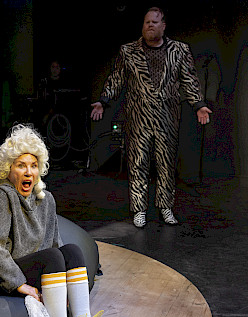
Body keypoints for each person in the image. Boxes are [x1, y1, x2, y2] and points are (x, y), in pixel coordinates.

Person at [0, 124, 106, 317]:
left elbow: (55, 243)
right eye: (21, 165)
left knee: (72, 251)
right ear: (9, 169)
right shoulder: (3, 197)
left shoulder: (46, 200)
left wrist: (63, 285)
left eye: (33, 166)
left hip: (41, 268)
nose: (28, 172)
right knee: (53, 257)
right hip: (5, 274)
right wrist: (19, 283)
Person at [90, 7, 212, 228]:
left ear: (163, 26)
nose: (149, 25)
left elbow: (189, 80)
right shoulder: (129, 51)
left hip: (167, 116)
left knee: (166, 164)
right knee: (138, 163)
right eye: (146, 22)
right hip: (139, 116)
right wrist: (104, 100)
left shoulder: (179, 50)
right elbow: (116, 78)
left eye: (154, 22)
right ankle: (139, 209)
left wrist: (199, 105)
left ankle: (165, 207)